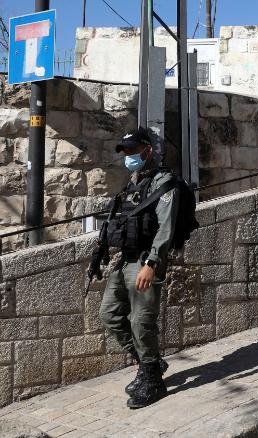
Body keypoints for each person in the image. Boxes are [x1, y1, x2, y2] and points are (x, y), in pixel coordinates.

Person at [98, 128, 177, 409]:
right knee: (109, 314)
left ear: (148, 150)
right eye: (126, 152)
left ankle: (154, 381)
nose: (129, 156)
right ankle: (148, 363)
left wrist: (152, 263)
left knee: (141, 322)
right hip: (124, 260)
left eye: (133, 151)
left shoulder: (163, 181)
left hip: (146, 261)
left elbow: (165, 228)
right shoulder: (133, 183)